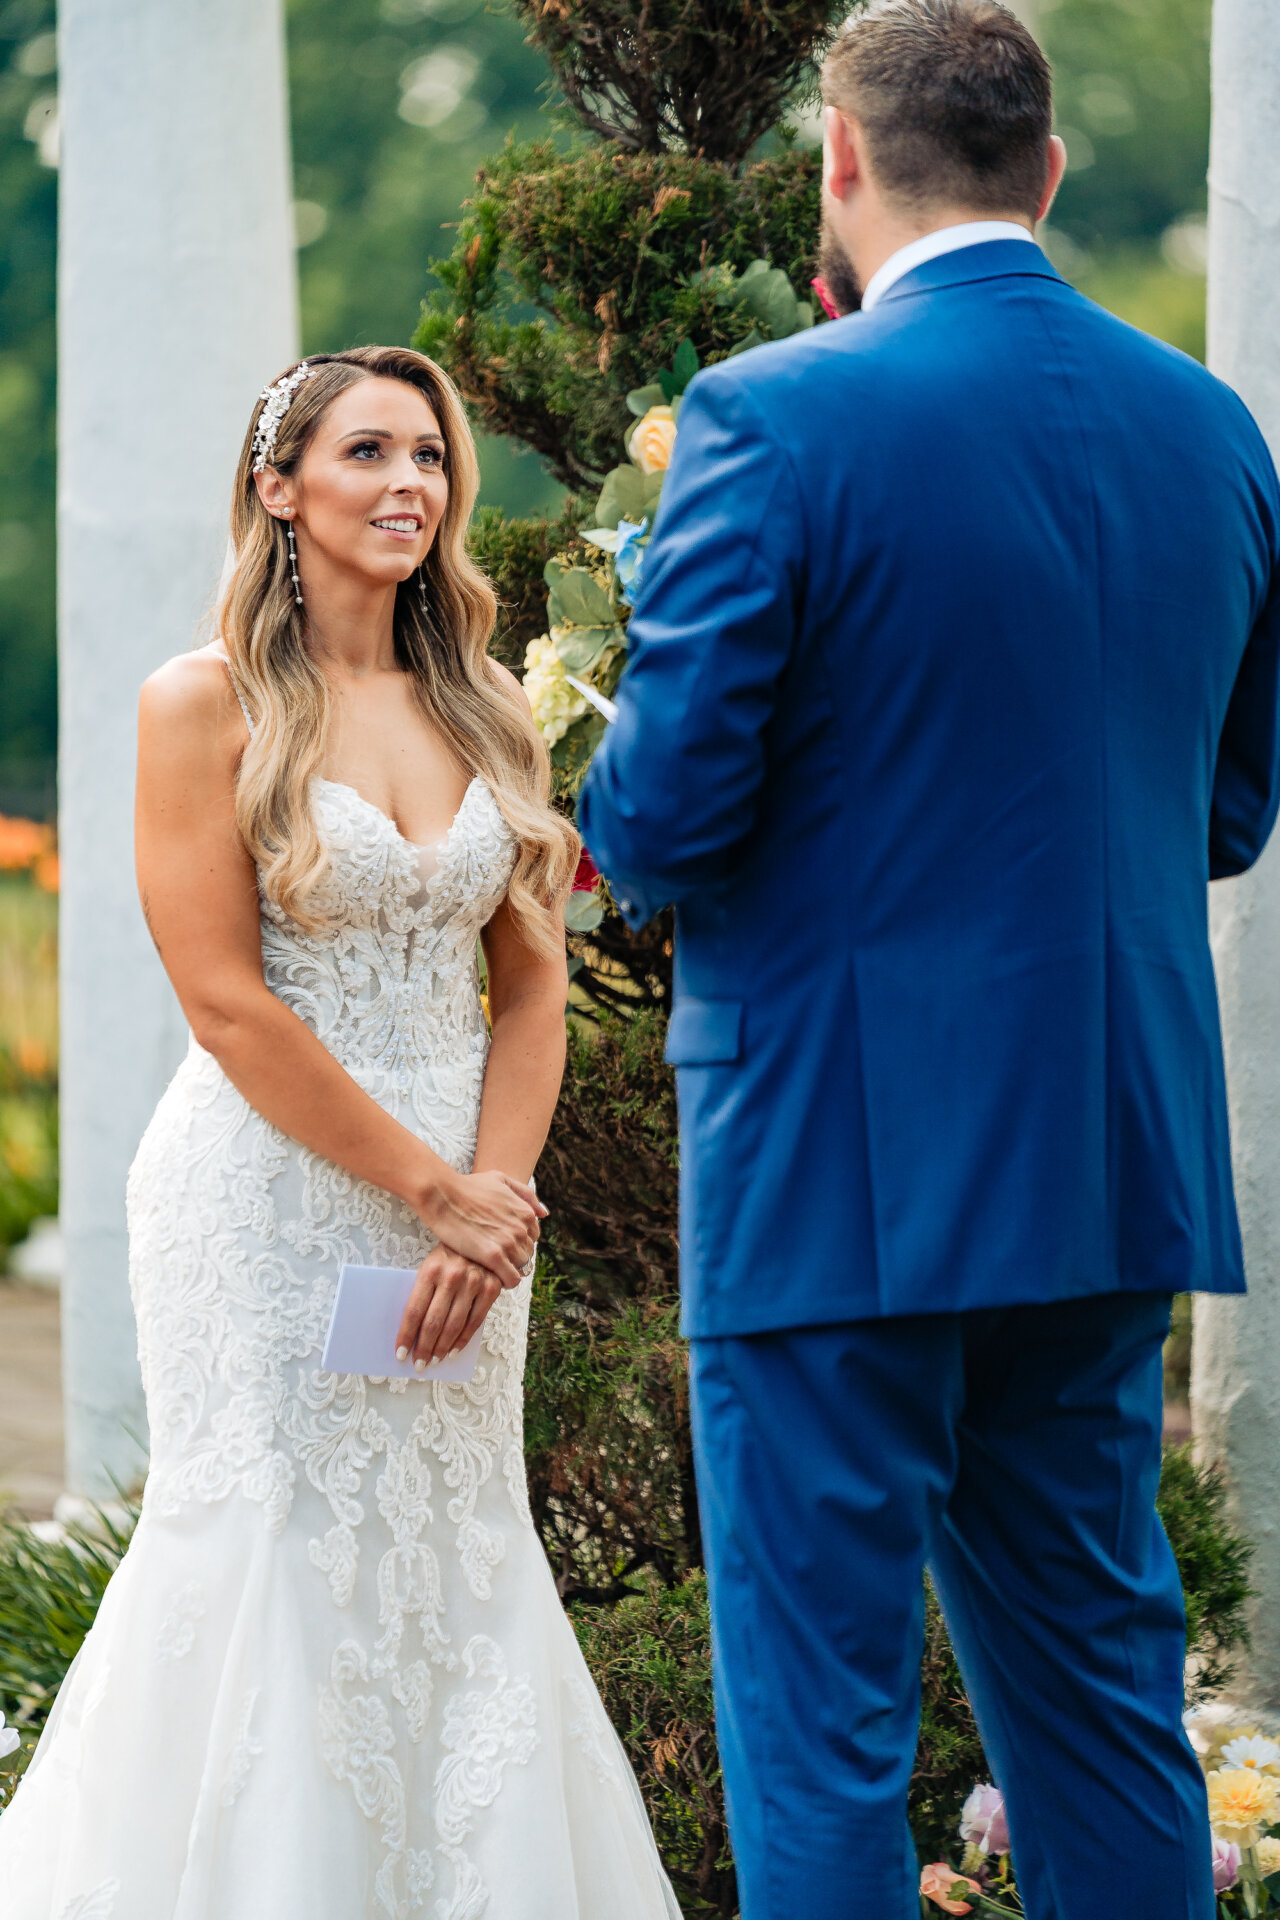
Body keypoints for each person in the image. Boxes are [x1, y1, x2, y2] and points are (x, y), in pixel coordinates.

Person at [579, 3, 1280, 1916]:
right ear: (1047, 170)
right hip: (1106, 1154)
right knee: (1099, 1693)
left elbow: (655, 820)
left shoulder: (772, 412)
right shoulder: (1212, 429)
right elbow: (1226, 815)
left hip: (837, 1161)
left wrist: (609, 729)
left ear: (839, 163)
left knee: (820, 1724)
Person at [0, 345, 680, 1920]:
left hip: (466, 1216)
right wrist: (432, 1189)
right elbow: (228, 1007)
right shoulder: (205, 704)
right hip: (269, 1203)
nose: (411, 485)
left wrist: (495, 1198)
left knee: (456, 1553)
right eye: (369, 452)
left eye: (431, 457)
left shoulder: (489, 705)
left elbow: (527, 993)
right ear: (280, 486)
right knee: (277, 1557)